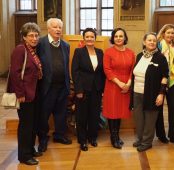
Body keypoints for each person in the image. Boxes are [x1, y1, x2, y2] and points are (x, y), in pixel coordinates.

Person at [8, 22, 43, 165]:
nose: (34, 38)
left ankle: (30, 149)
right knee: (26, 126)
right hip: (24, 95)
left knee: (33, 124)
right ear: (24, 37)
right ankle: (24, 155)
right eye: (31, 36)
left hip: (34, 93)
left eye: (36, 35)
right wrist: (20, 93)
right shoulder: (20, 49)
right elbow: (15, 74)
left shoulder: (32, 50)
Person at [37, 18, 72, 152]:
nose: (58, 29)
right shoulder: (40, 43)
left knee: (61, 113)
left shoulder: (65, 45)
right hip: (47, 87)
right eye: (55, 27)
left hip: (62, 86)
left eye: (60, 27)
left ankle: (59, 135)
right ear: (48, 29)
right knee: (43, 114)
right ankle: (43, 139)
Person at [131, 32, 169, 152]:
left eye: (154, 40)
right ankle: (140, 138)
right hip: (137, 92)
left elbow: (165, 77)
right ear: (144, 42)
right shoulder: (139, 56)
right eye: (149, 40)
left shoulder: (161, 58)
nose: (152, 42)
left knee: (150, 118)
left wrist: (161, 94)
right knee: (139, 118)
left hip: (152, 93)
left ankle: (147, 142)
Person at [71, 28, 106, 151]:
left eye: (92, 36)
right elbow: (75, 72)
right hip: (83, 90)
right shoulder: (79, 52)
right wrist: (78, 90)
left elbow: (102, 72)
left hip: (97, 89)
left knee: (94, 115)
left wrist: (102, 89)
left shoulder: (100, 52)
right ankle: (82, 140)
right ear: (84, 38)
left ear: (95, 38)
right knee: (82, 116)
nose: (90, 39)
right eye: (87, 37)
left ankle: (93, 138)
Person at [103, 28, 135, 149]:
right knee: (113, 112)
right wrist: (120, 83)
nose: (118, 38)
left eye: (121, 36)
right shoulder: (108, 52)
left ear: (125, 38)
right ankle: (113, 137)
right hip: (113, 85)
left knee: (120, 111)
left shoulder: (131, 52)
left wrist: (128, 83)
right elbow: (107, 69)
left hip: (127, 84)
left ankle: (117, 136)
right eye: (116, 36)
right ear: (113, 38)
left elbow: (133, 69)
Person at [156, 24, 174, 146]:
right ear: (163, 33)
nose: (170, 35)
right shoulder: (159, 44)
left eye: (172, 33)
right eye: (168, 33)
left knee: (172, 109)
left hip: (172, 81)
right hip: (160, 80)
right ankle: (161, 135)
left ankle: (173, 135)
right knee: (159, 108)